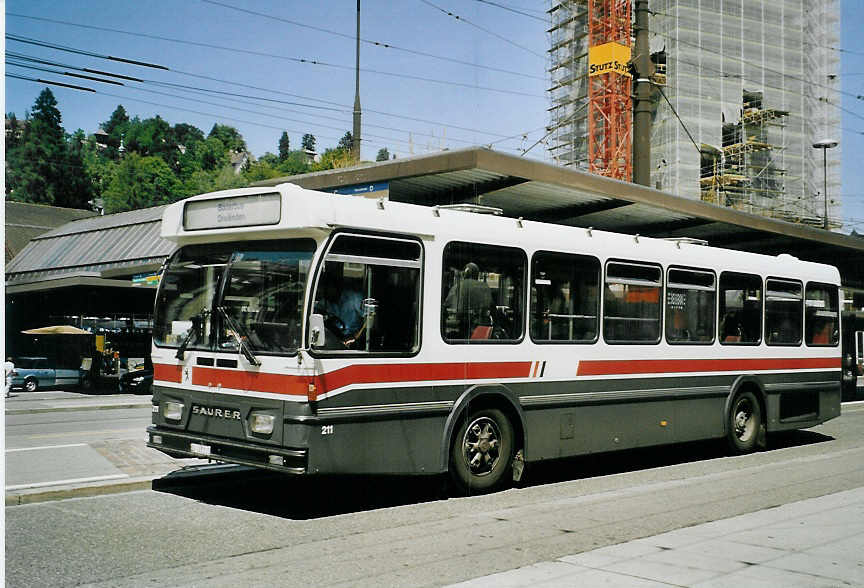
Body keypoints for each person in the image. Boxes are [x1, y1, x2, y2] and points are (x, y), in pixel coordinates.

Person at [445, 262, 493, 338]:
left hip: (461, 326)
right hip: (479, 329)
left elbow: (446, 306)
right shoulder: (485, 287)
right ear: (476, 274)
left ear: (465, 273)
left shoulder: (457, 286)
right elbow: (492, 307)